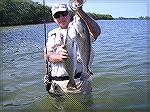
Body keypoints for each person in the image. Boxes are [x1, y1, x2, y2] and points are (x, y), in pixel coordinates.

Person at [44, 0, 101, 95]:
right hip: (56, 84)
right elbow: (47, 55)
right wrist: (58, 57)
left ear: (69, 14)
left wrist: (79, 9)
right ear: (54, 19)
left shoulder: (79, 29)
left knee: (84, 109)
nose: (61, 17)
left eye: (64, 13)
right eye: (57, 15)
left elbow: (96, 32)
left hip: (80, 82)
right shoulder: (52, 34)